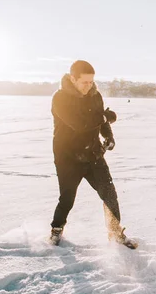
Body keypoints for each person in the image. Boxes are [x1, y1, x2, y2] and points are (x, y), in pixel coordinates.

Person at [50, 60, 136, 248]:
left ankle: (115, 233)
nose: (89, 86)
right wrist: (105, 116)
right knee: (67, 197)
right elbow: (80, 124)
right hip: (68, 157)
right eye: (84, 82)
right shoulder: (60, 98)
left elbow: (101, 122)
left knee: (109, 194)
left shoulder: (95, 95)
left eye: (91, 82)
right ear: (73, 79)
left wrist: (109, 136)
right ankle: (56, 229)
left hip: (93, 154)